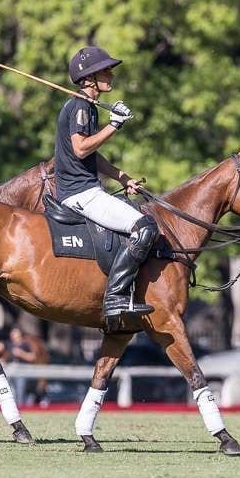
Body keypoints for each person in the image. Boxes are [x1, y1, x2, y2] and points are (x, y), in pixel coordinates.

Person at [54, 46, 158, 328]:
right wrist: (115, 125)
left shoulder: (86, 106)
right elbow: (80, 149)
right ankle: (115, 295)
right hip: (80, 193)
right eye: (105, 70)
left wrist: (122, 177)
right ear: (89, 78)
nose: (111, 74)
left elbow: (92, 155)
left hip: (84, 189)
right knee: (146, 227)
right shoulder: (80, 106)